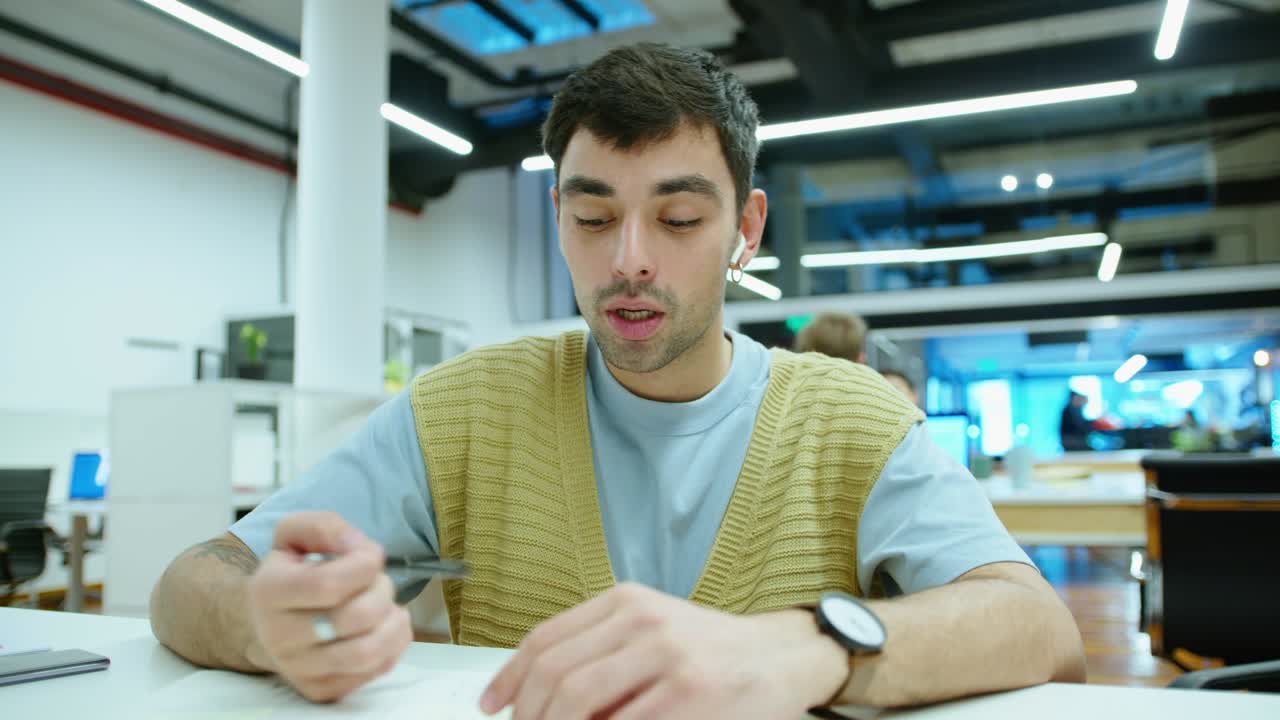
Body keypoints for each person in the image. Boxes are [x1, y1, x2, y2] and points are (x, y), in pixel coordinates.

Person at [150, 43, 1084, 715]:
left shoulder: (851, 421)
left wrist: (812, 646)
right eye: (594, 219)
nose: (630, 260)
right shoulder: (465, 409)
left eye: (678, 220)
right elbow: (192, 581)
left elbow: (1042, 630)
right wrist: (265, 625)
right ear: (558, 217)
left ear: (746, 230)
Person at [793, 312, 869, 363]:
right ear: (859, 359)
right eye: (860, 350)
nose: (865, 357)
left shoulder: (792, 379)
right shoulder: (870, 381)